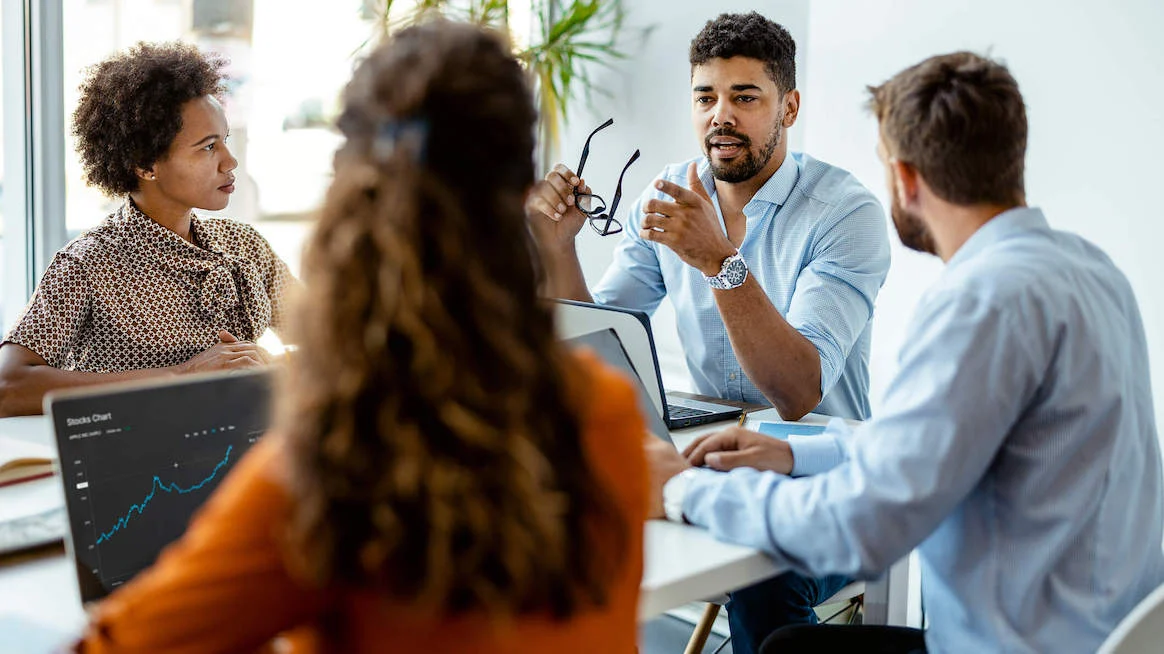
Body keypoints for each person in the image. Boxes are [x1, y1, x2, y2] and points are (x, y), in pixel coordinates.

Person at [73, 21, 647, 654]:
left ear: (352, 193)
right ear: (520, 188)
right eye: (208, 147)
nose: (228, 162)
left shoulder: (333, 470)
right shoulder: (608, 412)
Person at [646, 50, 1164, 652]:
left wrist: (683, 491)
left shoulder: (982, 302)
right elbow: (933, 444)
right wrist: (792, 455)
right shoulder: (1091, 270)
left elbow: (863, 526)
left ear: (907, 179)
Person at [527, 12, 890, 651]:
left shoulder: (845, 213)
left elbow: (798, 391)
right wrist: (560, 251)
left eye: (744, 97)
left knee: (764, 582)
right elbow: (601, 347)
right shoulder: (667, 195)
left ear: (790, 106)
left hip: (828, 480)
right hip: (709, 459)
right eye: (706, 97)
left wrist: (719, 263)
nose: (720, 115)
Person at [0, 42, 293, 417]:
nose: (230, 161)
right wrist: (181, 375)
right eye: (207, 147)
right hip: (139, 465)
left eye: (225, 141)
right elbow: (9, 387)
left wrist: (274, 366)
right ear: (145, 164)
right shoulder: (88, 264)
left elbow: (331, 343)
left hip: (241, 451)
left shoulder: (244, 244)